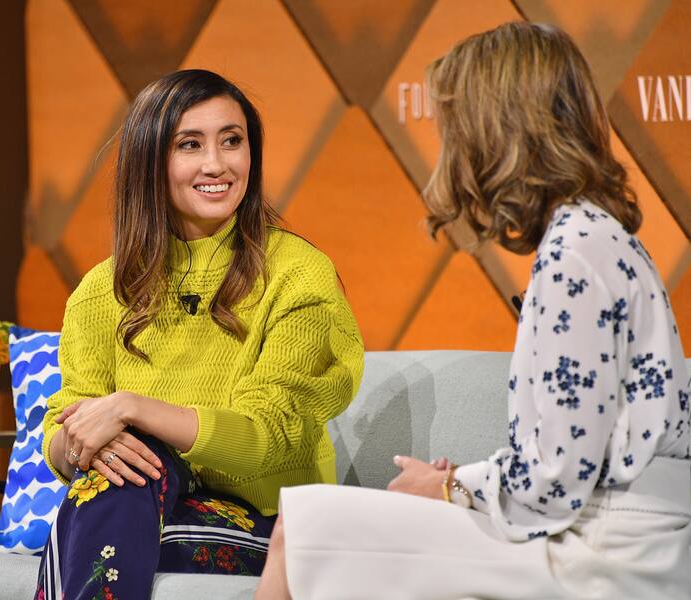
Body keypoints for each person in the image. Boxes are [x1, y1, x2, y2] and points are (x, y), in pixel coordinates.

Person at [256, 22, 690, 600]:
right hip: (621, 532)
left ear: (495, 130)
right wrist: (460, 483)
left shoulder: (574, 255)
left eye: (454, 127)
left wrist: (451, 487)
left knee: (302, 529)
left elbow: (559, 480)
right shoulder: (597, 237)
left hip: (604, 551)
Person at [34, 69, 364, 600]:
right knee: (114, 481)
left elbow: (270, 437)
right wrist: (84, 446)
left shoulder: (298, 274)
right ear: (150, 162)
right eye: (190, 145)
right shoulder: (101, 291)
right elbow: (65, 426)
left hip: (269, 525)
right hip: (136, 506)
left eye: (232, 141)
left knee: (107, 501)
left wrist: (131, 410)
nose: (217, 164)